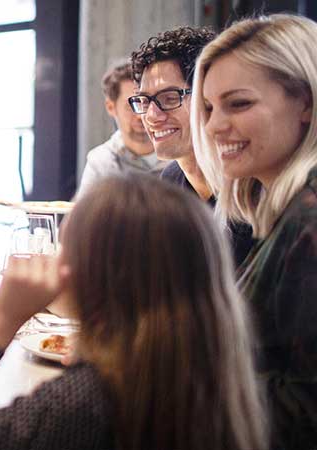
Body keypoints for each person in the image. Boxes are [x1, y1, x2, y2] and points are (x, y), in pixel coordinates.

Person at [0, 175, 267, 450]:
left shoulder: (90, 401)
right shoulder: (216, 377)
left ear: (95, 276)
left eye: (65, 249)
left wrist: (0, 321)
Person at [191, 14, 317, 449]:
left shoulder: (310, 221)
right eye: (208, 108)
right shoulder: (276, 207)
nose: (212, 126)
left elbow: (304, 415)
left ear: (306, 103)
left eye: (238, 104)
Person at [130, 26, 254, 267]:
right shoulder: (167, 186)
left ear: (209, 97)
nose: (152, 116)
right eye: (144, 101)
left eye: (169, 98)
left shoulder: (250, 187)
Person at [76, 59, 165, 197]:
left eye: (145, 102)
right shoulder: (101, 163)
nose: (140, 115)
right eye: (131, 105)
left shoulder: (179, 155)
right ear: (111, 107)